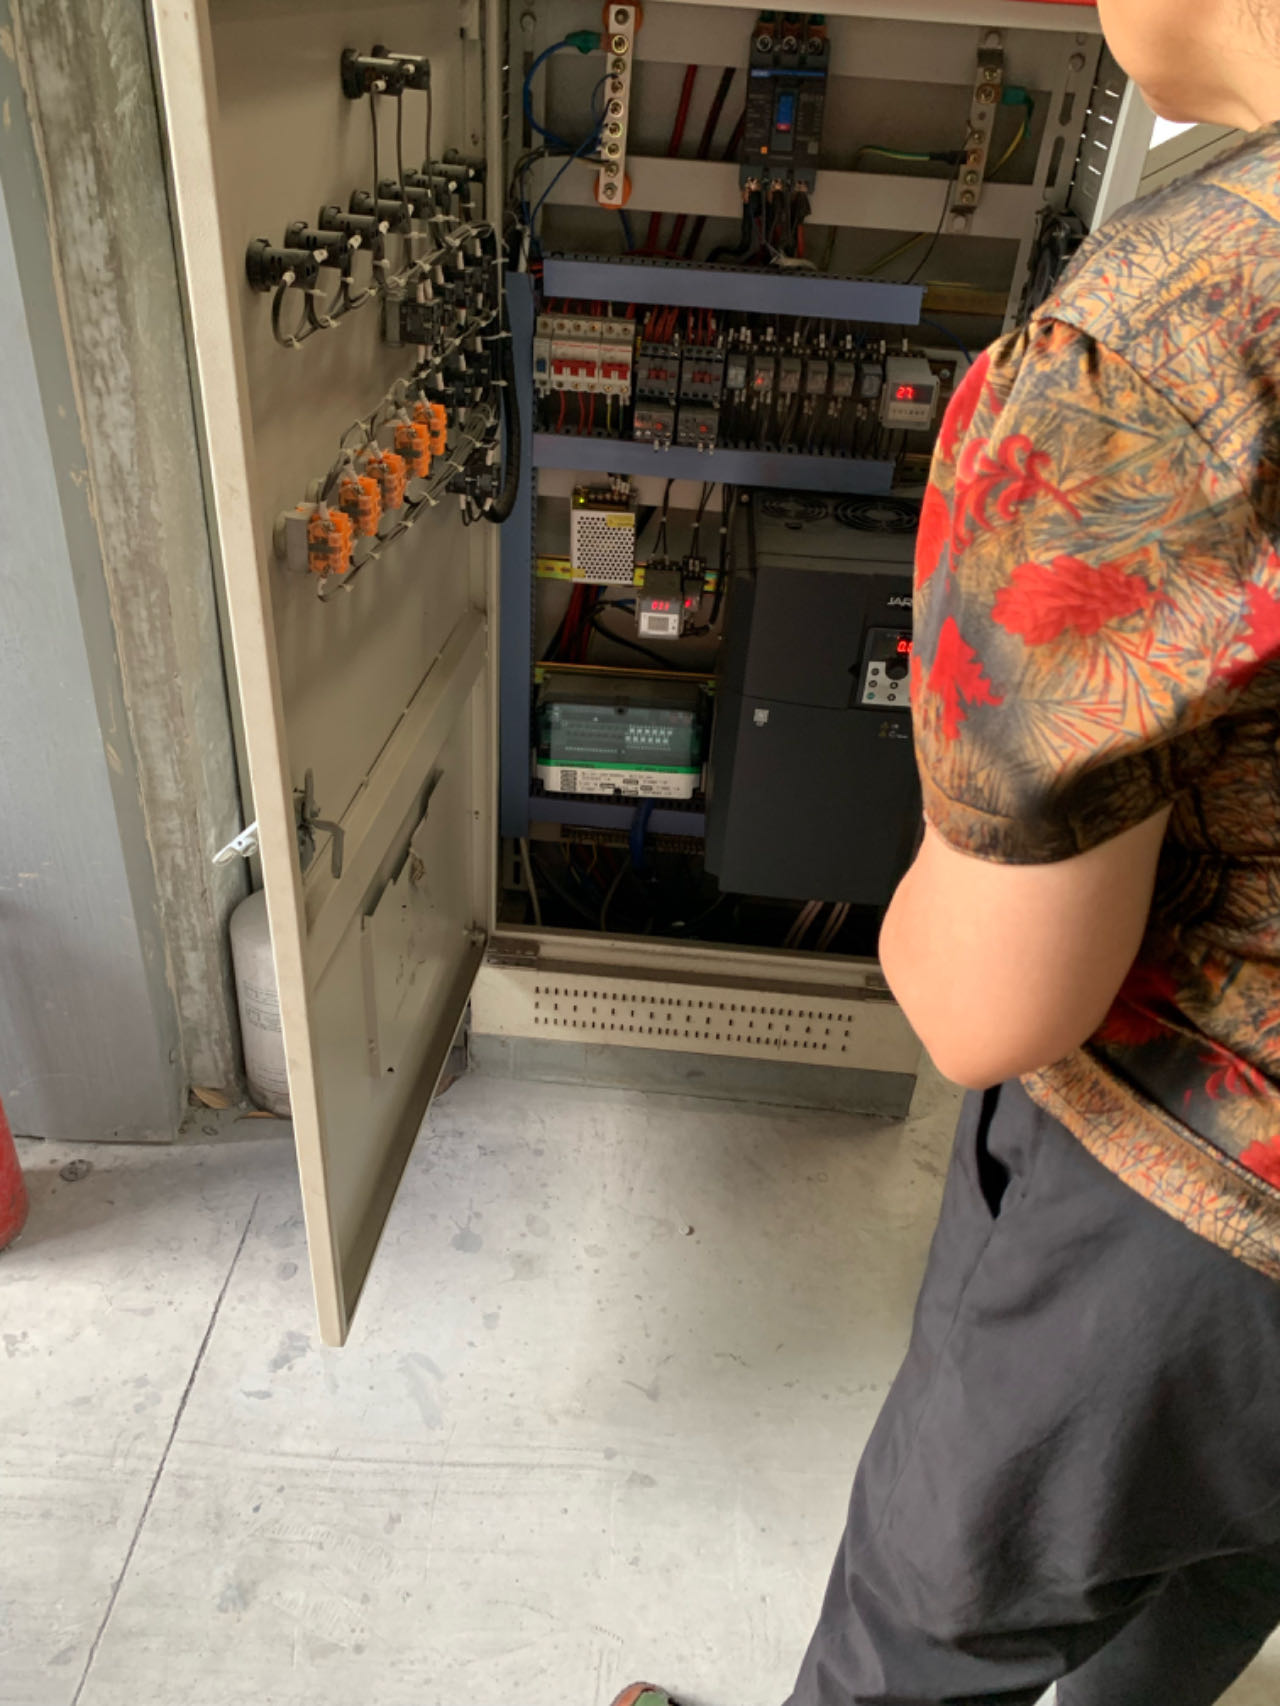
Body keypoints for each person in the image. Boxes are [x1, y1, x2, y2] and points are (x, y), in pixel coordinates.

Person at [610, 2, 1280, 1703]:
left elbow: (989, 1010)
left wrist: (944, 838)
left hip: (1186, 1217)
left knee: (923, 1639)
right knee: (1213, 1579)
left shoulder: (1164, 346)